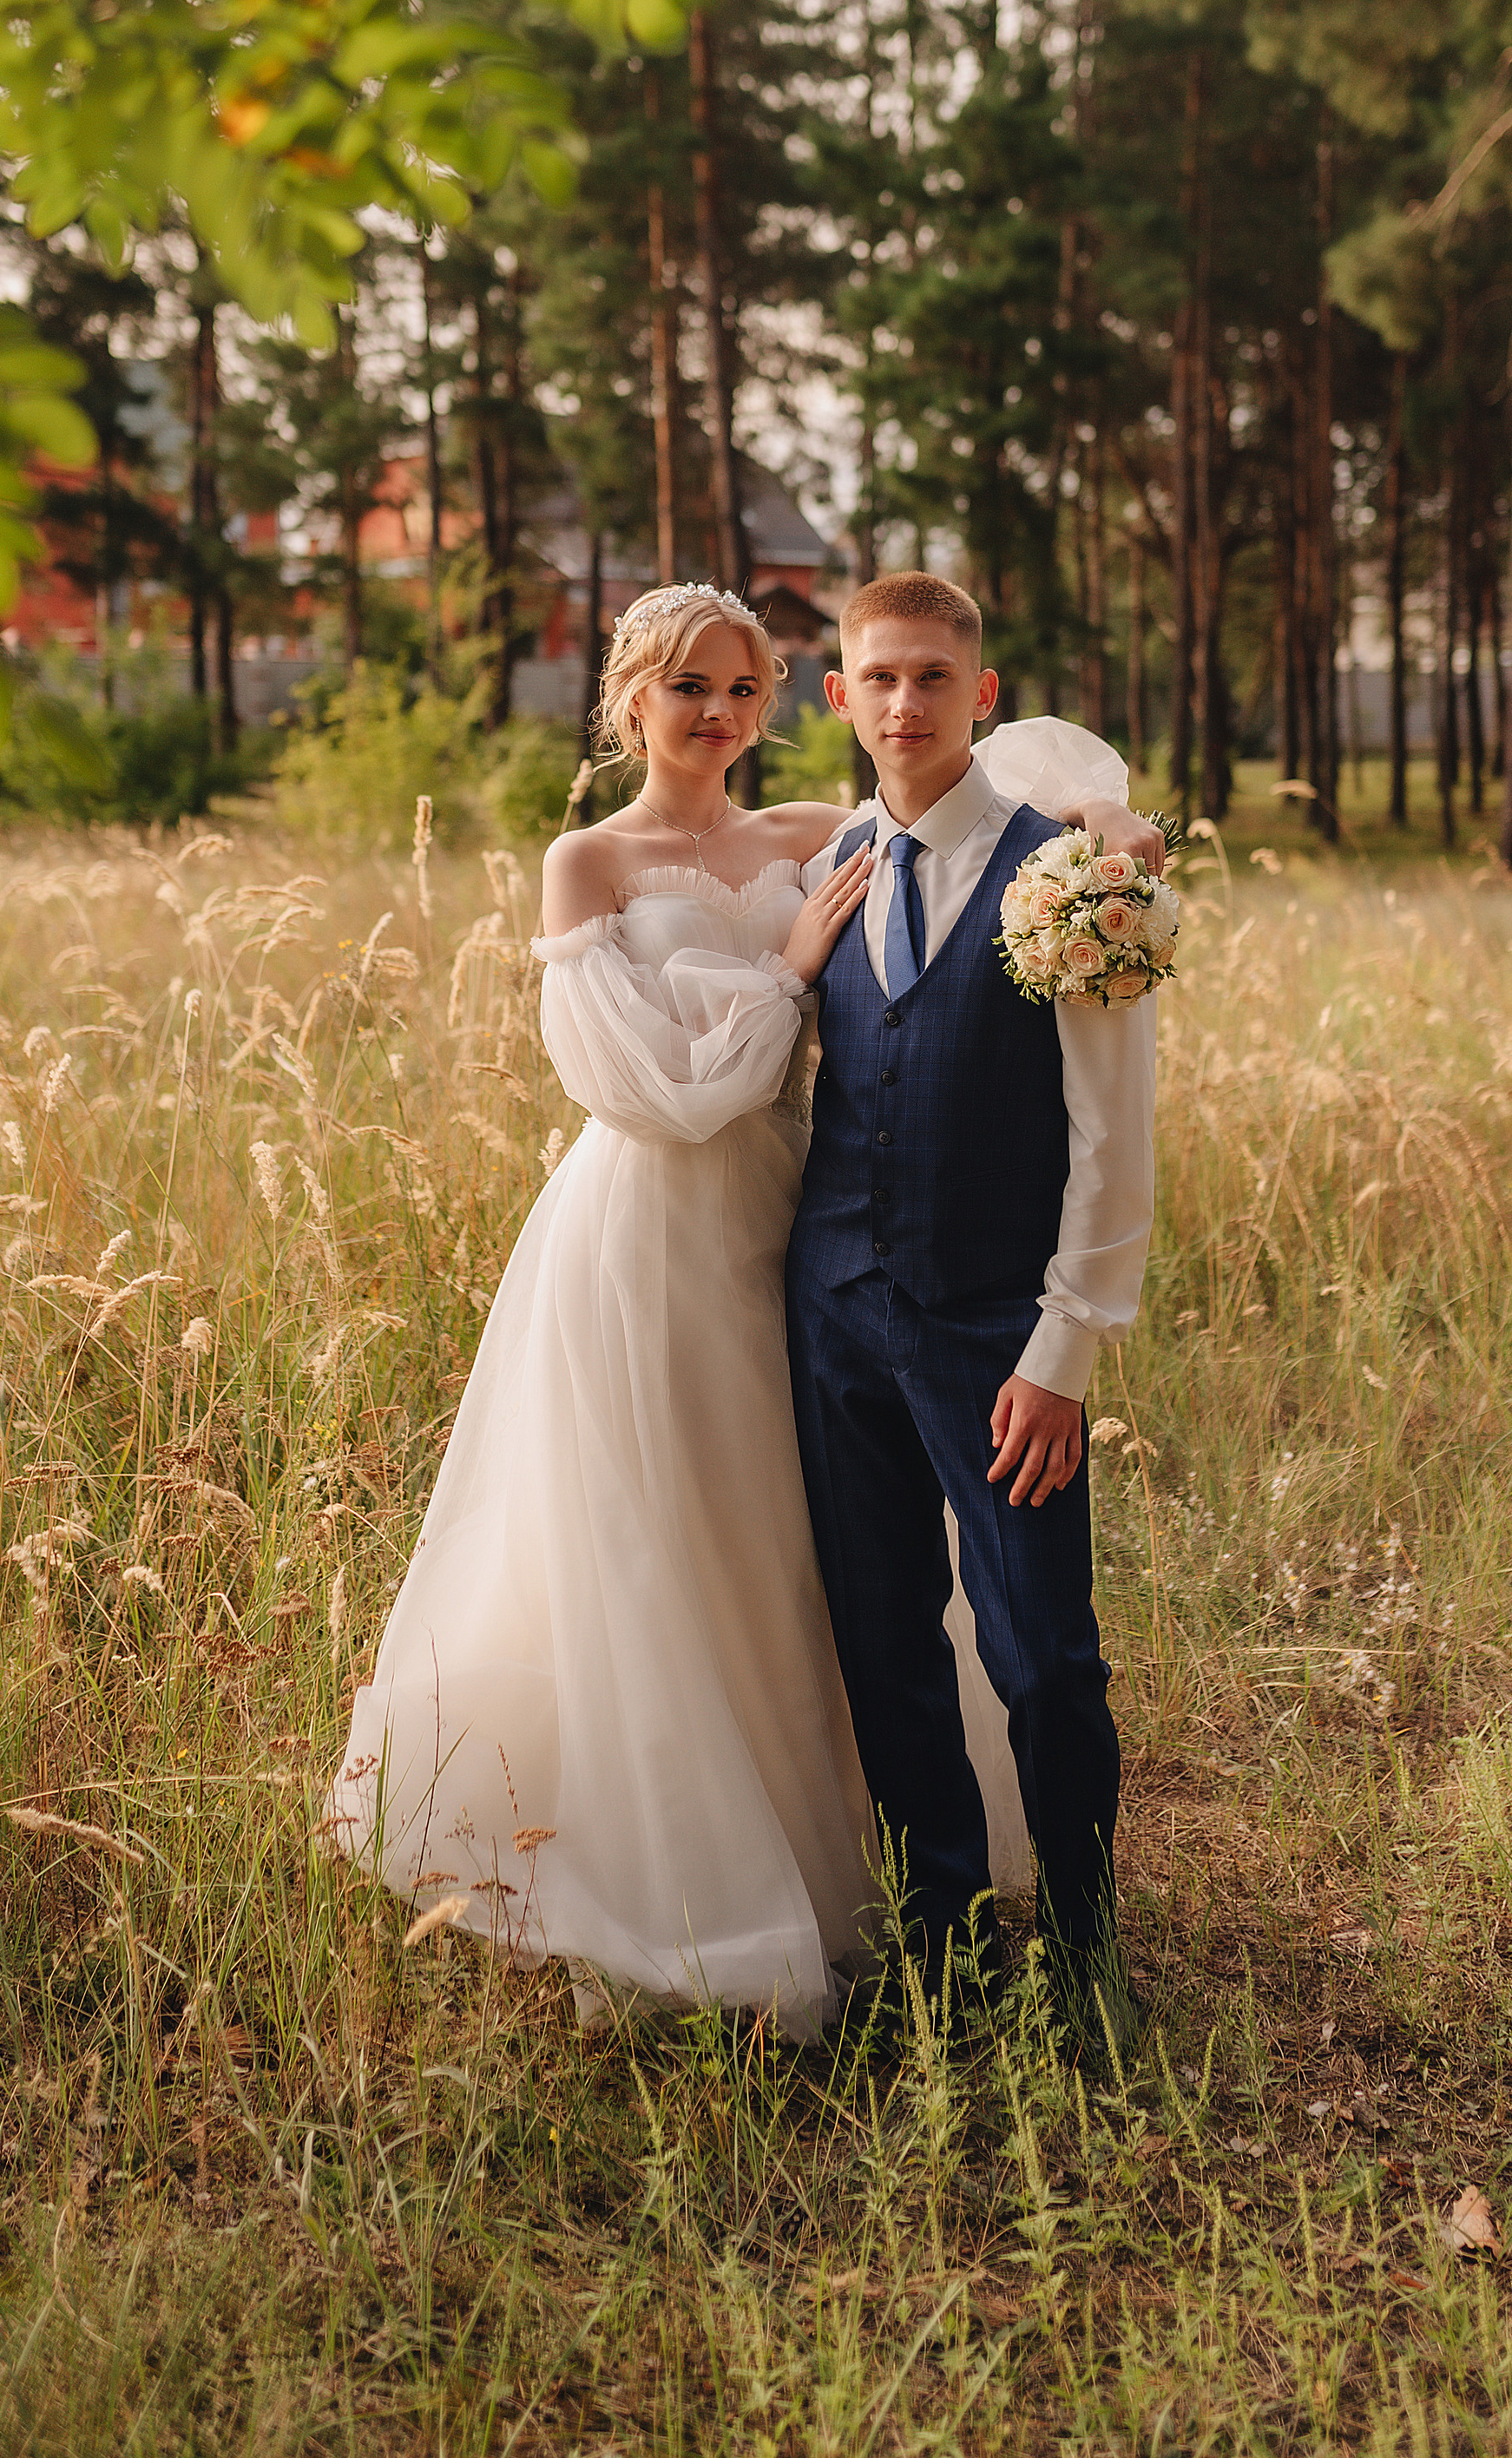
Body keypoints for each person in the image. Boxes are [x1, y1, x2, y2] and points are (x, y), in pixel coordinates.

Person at [323, 580, 1158, 2032]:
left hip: (843, 1261)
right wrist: (786, 971)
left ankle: (1048, 1947)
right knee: (763, 1580)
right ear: (630, 698)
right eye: (686, 687)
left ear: (782, 704)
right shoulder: (595, 862)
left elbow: (1023, 787)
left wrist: (1120, 838)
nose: (714, 713)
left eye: (737, 689)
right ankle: (828, 1904)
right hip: (693, 1252)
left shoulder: (815, 839)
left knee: (953, 1623)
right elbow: (657, 1083)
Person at [786, 574, 1158, 2043]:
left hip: (998, 1331)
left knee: (1044, 1654)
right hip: (834, 1316)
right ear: (841, 698)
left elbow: (1114, 1137)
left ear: (982, 696)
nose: (905, 703)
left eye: (934, 676)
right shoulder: (825, 857)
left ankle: (1084, 1948)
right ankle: (942, 1933)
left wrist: (1063, 1349)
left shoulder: (1065, 877)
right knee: (883, 1640)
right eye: (878, 677)